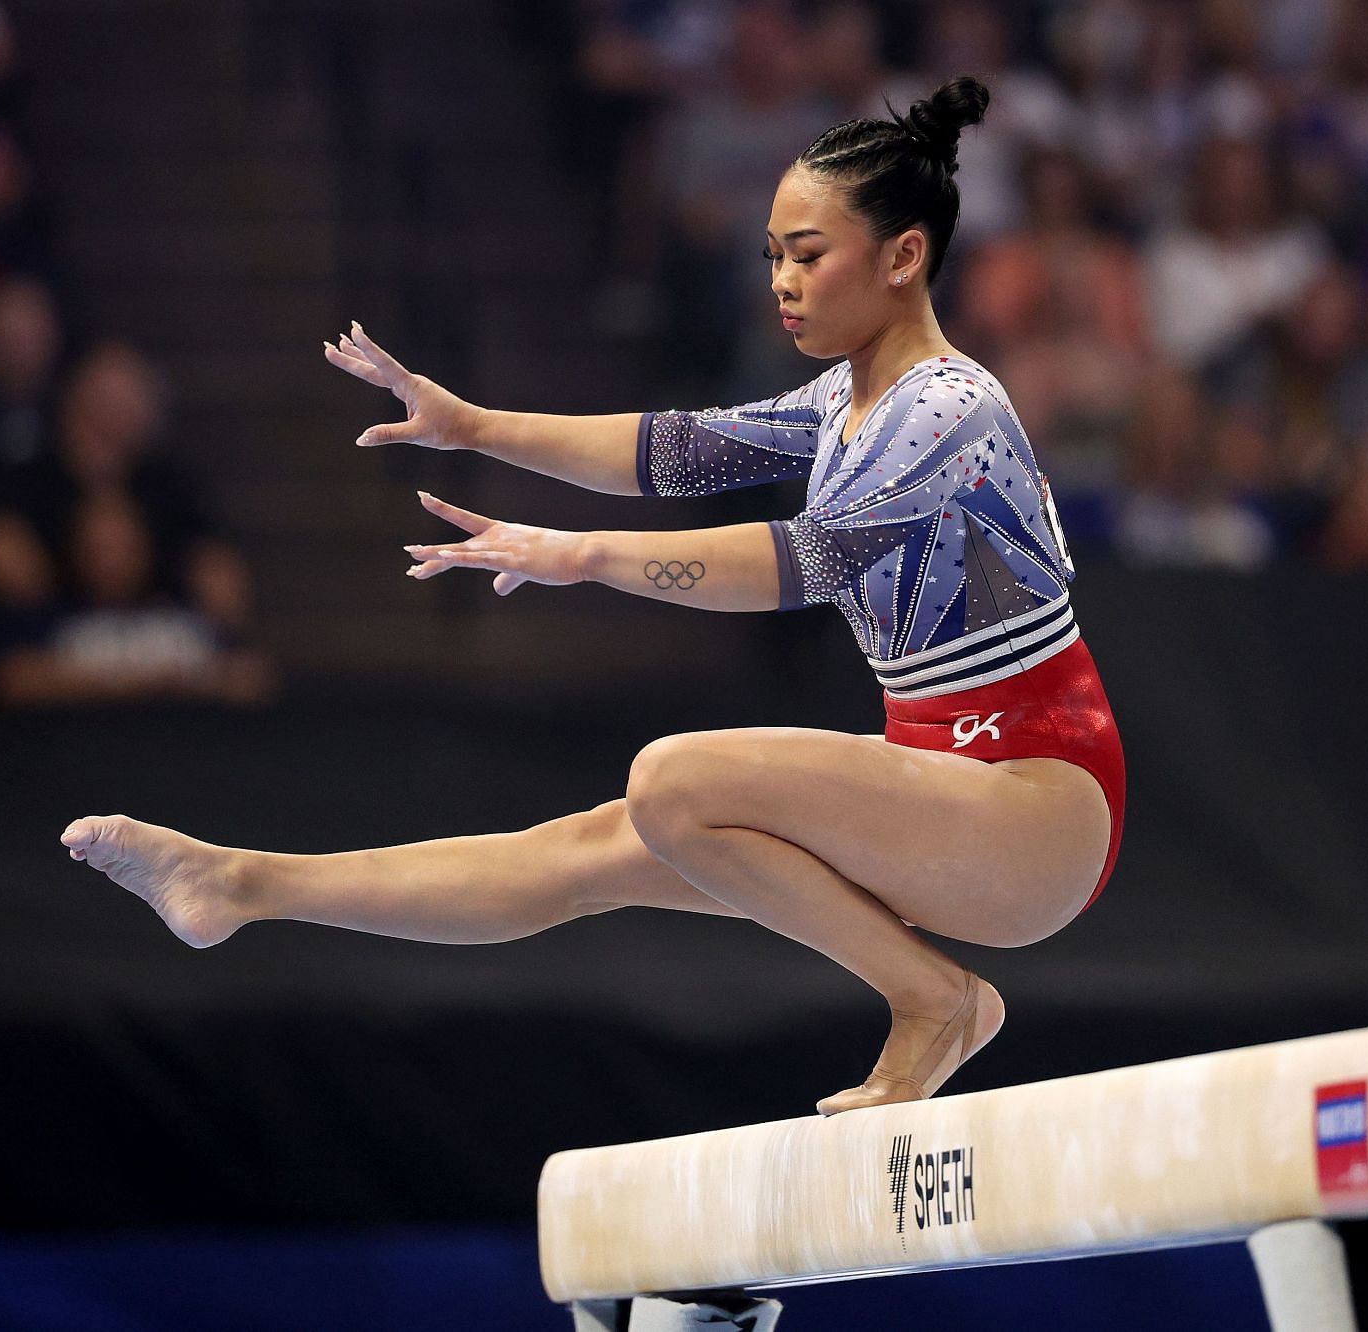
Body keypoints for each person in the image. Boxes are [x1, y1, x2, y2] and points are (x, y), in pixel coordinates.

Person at [60, 77, 1128, 1118]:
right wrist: (475, 425)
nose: (783, 283)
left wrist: (587, 557)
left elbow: (803, 562)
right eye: (772, 257)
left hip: (1036, 806)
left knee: (673, 782)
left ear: (904, 256)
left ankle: (932, 998)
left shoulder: (948, 407)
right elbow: (664, 453)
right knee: (579, 857)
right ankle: (244, 886)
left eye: (807, 254)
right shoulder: (841, 404)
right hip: (942, 793)